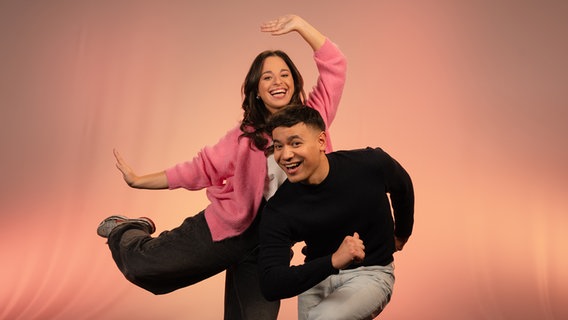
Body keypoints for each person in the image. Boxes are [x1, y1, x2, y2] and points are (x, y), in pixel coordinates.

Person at [96, 14, 347, 320]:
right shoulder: (244, 137)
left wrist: (300, 26)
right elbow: (199, 168)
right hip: (229, 230)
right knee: (144, 267)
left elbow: (335, 64)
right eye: (267, 77)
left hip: (273, 242)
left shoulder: (314, 117)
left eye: (284, 74)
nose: (277, 81)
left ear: (295, 81)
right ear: (256, 90)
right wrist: (138, 180)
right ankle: (127, 228)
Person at [258, 105, 415, 320]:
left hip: (371, 273)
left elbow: (403, 186)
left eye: (295, 143)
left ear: (321, 141)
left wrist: (402, 233)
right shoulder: (279, 209)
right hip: (318, 277)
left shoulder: (370, 165)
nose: (285, 155)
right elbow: (271, 284)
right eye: (278, 146)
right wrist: (333, 261)